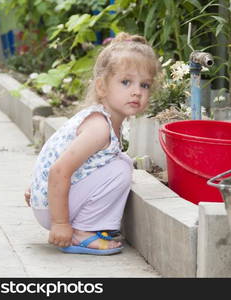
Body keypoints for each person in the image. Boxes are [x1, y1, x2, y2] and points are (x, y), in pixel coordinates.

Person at [24, 32, 161, 255]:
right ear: (101, 87)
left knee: (120, 160)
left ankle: (83, 225)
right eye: (126, 82)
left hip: (49, 200)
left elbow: (59, 155)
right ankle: (82, 233)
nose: (137, 91)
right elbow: (59, 170)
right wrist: (60, 223)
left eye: (144, 85)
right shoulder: (99, 127)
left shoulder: (105, 121)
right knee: (120, 168)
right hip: (53, 208)